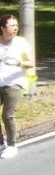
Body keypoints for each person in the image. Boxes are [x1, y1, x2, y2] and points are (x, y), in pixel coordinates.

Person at [0, 15, 34, 160]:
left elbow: (31, 62)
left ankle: (12, 145)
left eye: (16, 25)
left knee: (7, 115)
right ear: (2, 28)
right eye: (11, 26)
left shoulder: (21, 43)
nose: (15, 28)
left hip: (14, 82)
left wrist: (18, 63)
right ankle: (1, 144)